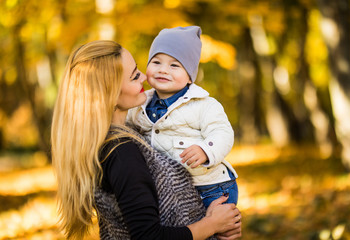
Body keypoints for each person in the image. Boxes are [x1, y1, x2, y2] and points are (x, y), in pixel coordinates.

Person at [51, 40, 242, 240]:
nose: (144, 76)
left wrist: (220, 223)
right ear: (111, 94)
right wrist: (211, 225)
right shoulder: (121, 152)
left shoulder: (125, 136)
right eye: (134, 76)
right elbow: (148, 237)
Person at [127, 26, 238, 209]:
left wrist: (206, 150)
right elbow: (125, 127)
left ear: (189, 77)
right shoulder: (140, 103)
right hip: (169, 190)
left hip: (210, 187)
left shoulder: (203, 104)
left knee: (216, 232)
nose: (163, 70)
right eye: (156, 62)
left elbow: (223, 133)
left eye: (174, 65)